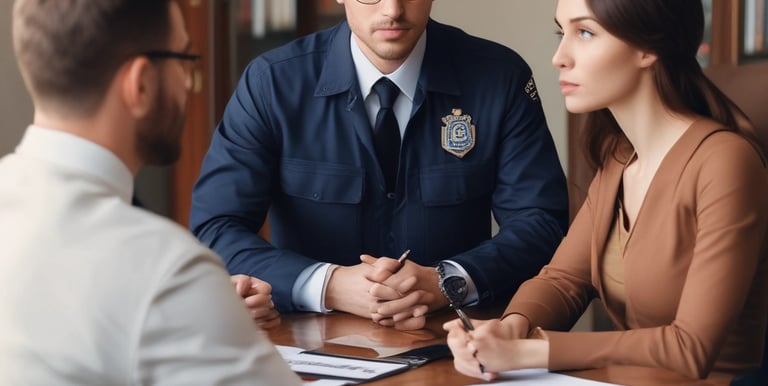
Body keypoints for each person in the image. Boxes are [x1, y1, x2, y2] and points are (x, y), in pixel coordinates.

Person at [189, 0, 569, 331]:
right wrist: (330, 285)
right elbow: (216, 227)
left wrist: (447, 280)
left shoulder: (499, 77)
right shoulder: (271, 83)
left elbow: (541, 220)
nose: (393, 9)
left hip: (457, 338)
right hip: (308, 342)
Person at [444, 0, 768, 381]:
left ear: (648, 47)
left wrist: (531, 352)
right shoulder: (620, 157)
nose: (559, 57)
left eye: (584, 33)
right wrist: (510, 327)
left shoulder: (725, 161)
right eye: (560, 32)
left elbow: (691, 347)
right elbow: (564, 280)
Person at [0, 0, 300, 384]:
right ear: (140, 83)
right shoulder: (166, 272)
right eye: (184, 57)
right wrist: (199, 306)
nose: (188, 80)